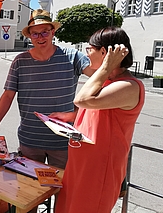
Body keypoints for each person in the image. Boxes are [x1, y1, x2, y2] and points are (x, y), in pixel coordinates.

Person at [0, 9, 94, 171]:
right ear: (29, 36)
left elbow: (99, 79)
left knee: (62, 191)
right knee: (30, 191)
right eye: (35, 34)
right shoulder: (20, 61)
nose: (40, 38)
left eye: (44, 32)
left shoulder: (73, 56)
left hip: (62, 142)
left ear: (53, 32)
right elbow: (8, 95)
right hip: (30, 140)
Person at [54, 27, 145, 213]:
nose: (85, 53)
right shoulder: (106, 81)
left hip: (98, 171)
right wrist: (70, 117)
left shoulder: (128, 86)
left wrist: (105, 67)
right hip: (80, 165)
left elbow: (82, 100)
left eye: (89, 49)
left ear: (104, 52)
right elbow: (94, 113)